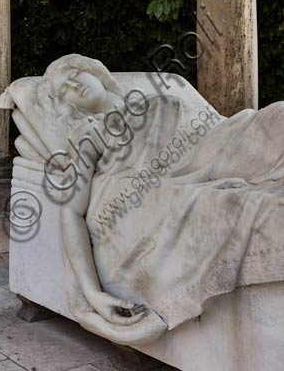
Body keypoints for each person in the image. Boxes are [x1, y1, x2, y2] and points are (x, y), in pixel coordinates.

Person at [36, 54, 284, 343]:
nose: (74, 86)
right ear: (67, 105)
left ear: (95, 72)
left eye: (75, 75)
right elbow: (71, 212)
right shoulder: (88, 133)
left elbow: (204, 124)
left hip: (221, 137)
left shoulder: (152, 98)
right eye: (65, 88)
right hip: (195, 169)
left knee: (279, 113)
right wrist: (92, 292)